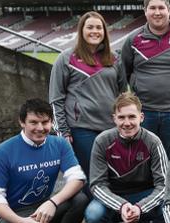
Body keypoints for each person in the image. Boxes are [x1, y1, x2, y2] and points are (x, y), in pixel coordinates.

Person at [0, 98, 88, 223]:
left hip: (42, 208)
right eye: (33, 122)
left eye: (45, 122)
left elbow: (78, 178)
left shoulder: (59, 144)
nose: (40, 128)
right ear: (22, 122)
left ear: (51, 122)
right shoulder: (2, 152)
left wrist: (52, 203)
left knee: (80, 199)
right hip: (10, 216)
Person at [49, 11, 126, 199]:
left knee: (111, 175)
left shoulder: (114, 59)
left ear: (104, 32)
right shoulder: (67, 58)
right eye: (90, 27)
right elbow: (56, 99)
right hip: (81, 129)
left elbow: (122, 95)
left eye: (98, 27)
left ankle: (103, 216)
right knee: (91, 176)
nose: (95, 31)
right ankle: (88, 221)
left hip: (110, 129)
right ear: (81, 30)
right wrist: (63, 132)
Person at [85, 93, 168, 223]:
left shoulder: (153, 142)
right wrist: (121, 205)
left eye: (132, 117)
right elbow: (97, 185)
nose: (127, 123)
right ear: (114, 118)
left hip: (144, 195)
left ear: (141, 117)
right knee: (93, 214)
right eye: (121, 117)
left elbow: (164, 185)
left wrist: (140, 207)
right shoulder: (102, 141)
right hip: (115, 195)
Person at [122, 0, 170, 158]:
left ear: (168, 10)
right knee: (142, 158)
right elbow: (123, 72)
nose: (157, 12)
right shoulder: (133, 39)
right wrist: (136, 92)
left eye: (161, 7)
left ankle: (167, 184)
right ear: (145, 11)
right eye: (152, 8)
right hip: (143, 112)